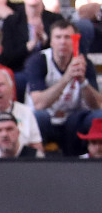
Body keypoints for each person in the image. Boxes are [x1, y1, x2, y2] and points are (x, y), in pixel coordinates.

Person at [21, 22, 101, 154]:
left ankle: (83, 159)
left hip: (74, 121)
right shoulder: (38, 61)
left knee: (97, 116)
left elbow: (97, 105)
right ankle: (37, 159)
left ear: (75, 41)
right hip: (47, 120)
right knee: (40, 116)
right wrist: (67, 77)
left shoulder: (84, 63)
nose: (63, 42)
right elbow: (39, 104)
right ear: (51, 41)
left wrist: (83, 81)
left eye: (67, 37)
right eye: (58, 37)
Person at [0, 0, 62, 71]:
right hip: (19, 69)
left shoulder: (56, 20)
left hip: (49, 70)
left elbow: (62, 49)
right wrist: (30, 45)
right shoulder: (11, 21)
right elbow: (6, 56)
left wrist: (45, 41)